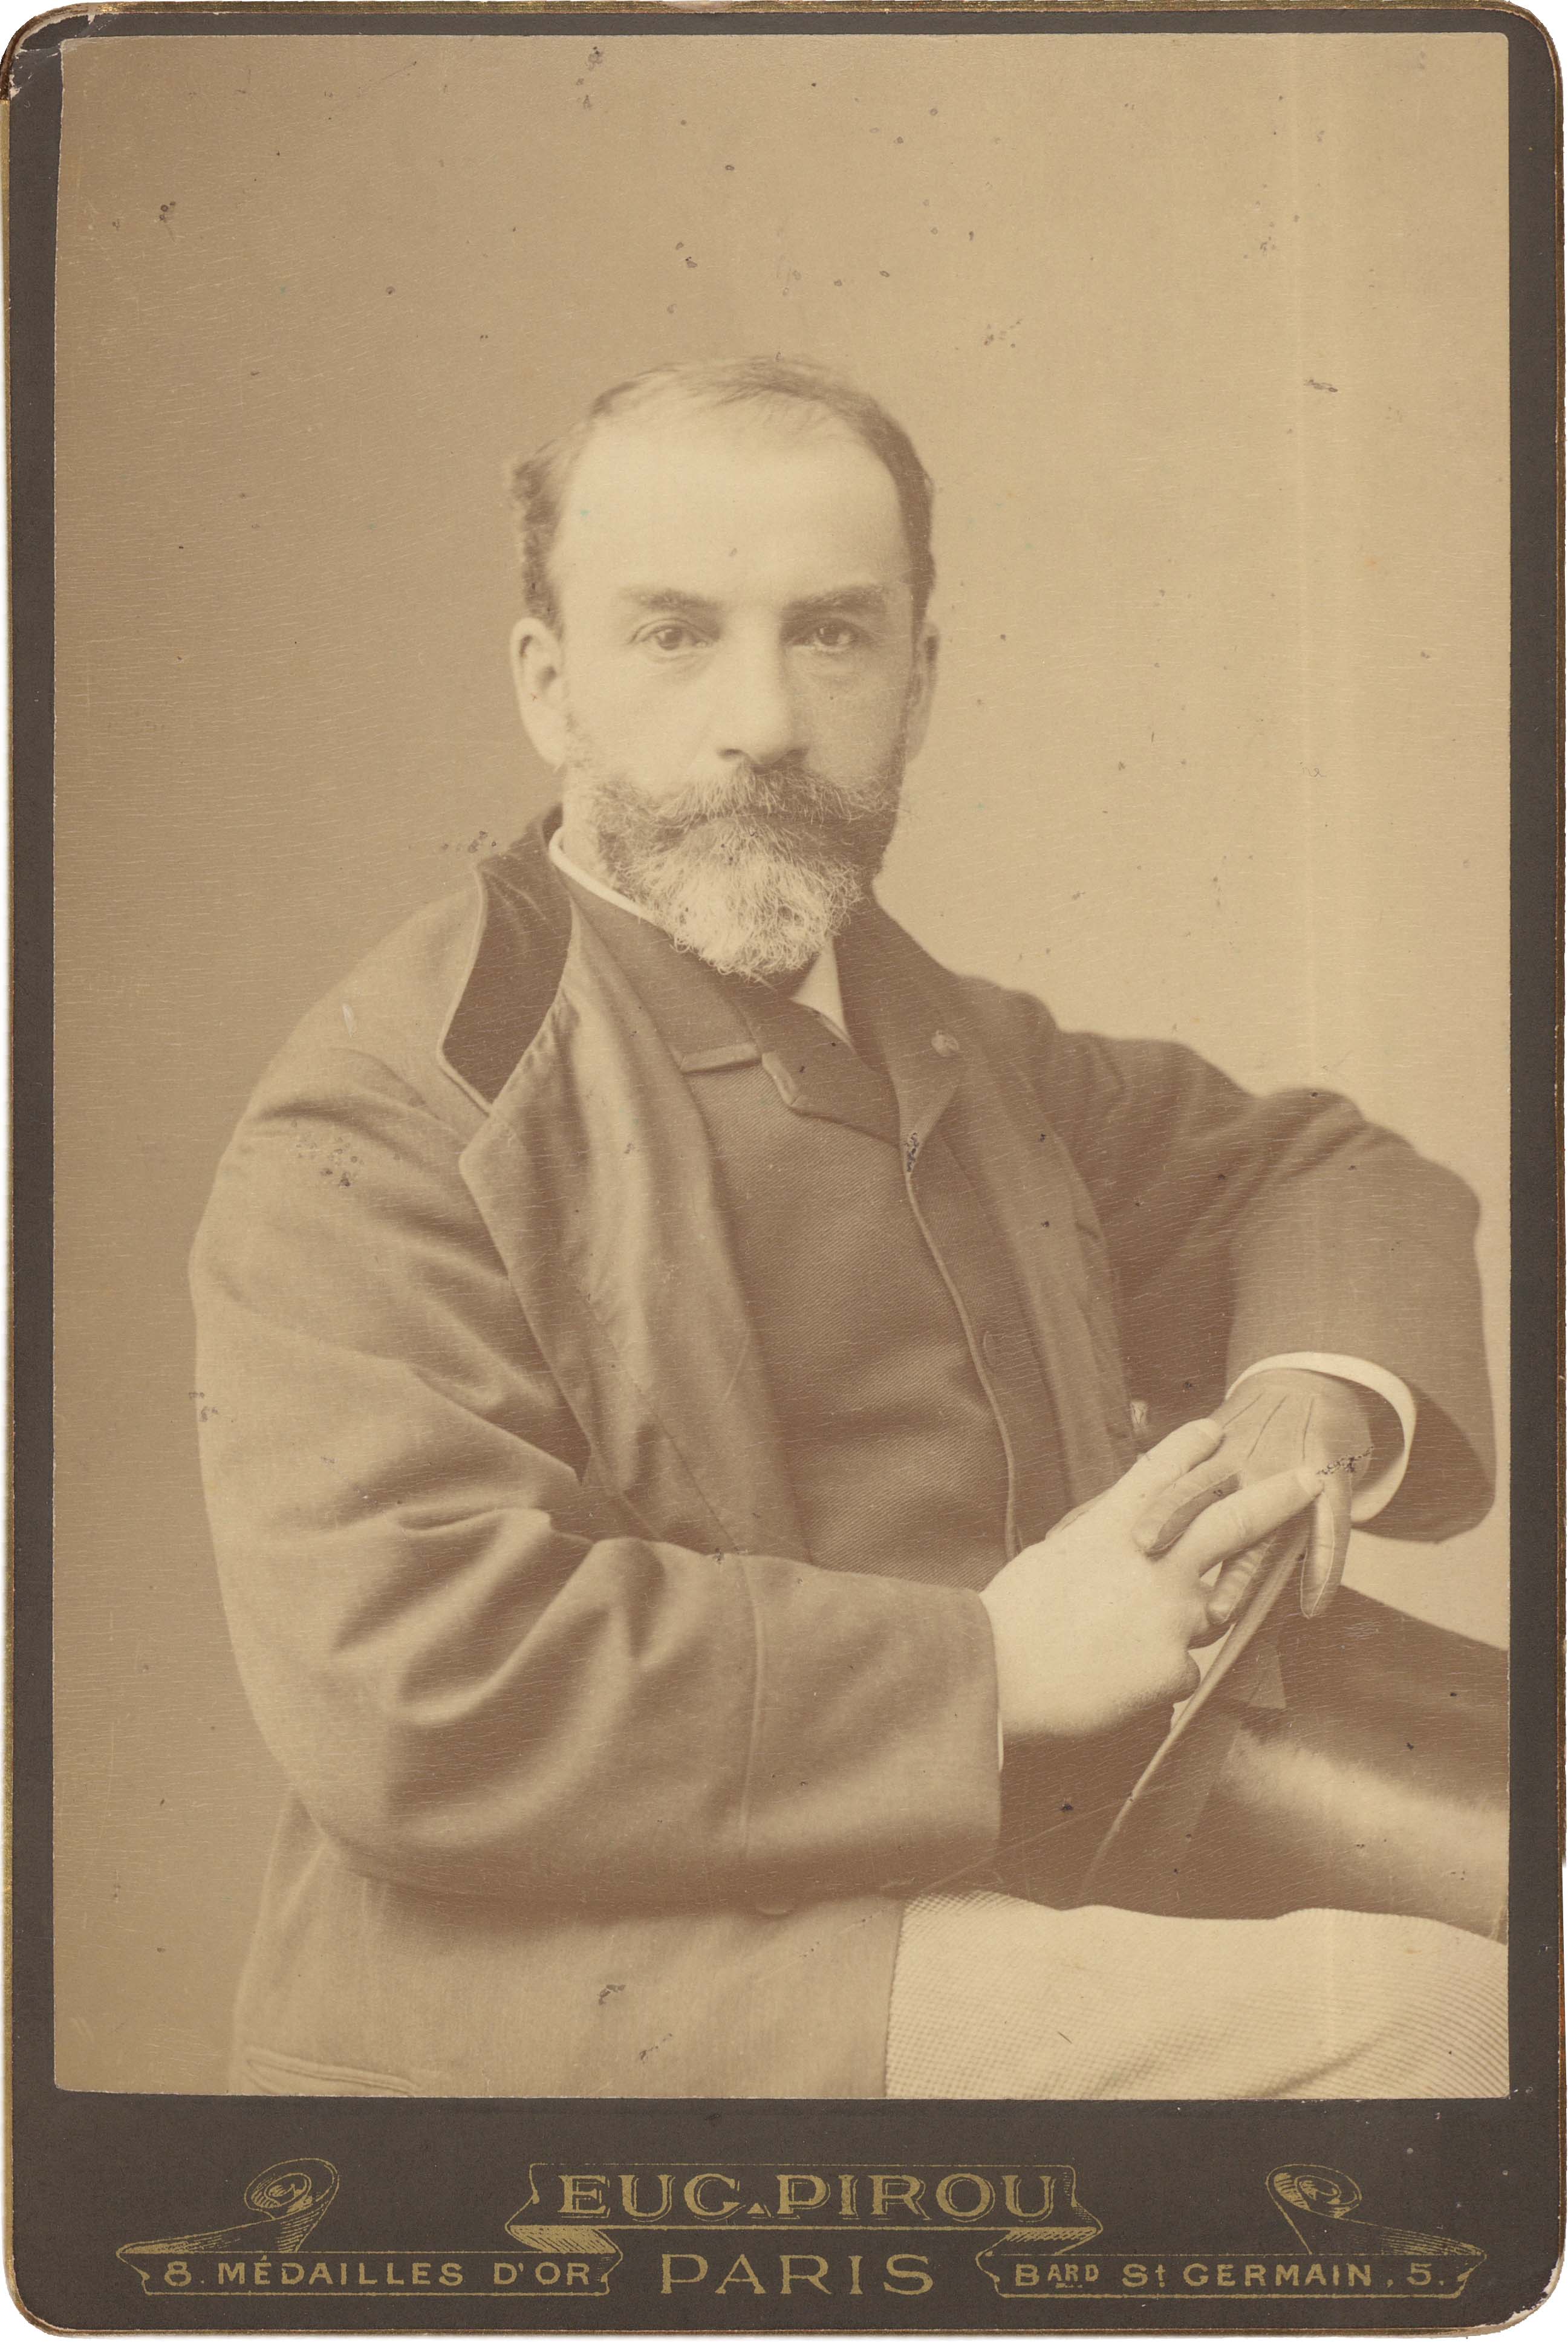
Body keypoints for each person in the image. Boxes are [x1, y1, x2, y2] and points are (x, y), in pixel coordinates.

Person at [191, 356, 1505, 2101]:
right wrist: (994, 1666)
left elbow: (1312, 1169)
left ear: (919, 679)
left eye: (830, 634)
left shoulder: (937, 1032)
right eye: (675, 634)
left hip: (1031, 1839)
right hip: (599, 1970)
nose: (763, 721)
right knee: (1451, 2030)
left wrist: (1312, 1397)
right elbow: (419, 1680)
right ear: (549, 686)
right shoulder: (397, 1106)